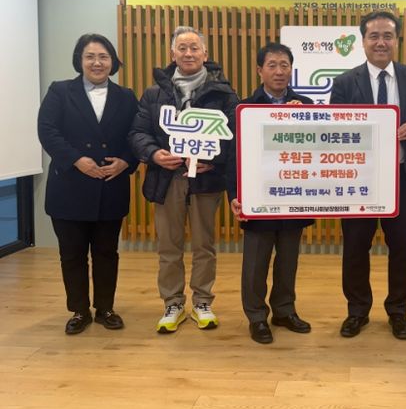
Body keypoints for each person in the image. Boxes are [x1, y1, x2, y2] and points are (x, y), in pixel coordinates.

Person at [329, 11, 406, 340]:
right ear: (363, 41)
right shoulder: (345, 82)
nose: (381, 42)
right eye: (374, 36)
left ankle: (398, 311)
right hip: (358, 180)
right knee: (355, 247)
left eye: (387, 36)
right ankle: (357, 310)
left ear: (397, 40)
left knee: (403, 248)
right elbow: (333, 125)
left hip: (402, 178)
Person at [128, 26, 239, 333]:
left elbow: (235, 137)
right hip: (167, 179)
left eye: (194, 48)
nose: (188, 53)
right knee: (169, 246)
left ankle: (202, 301)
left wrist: (212, 159)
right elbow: (137, 133)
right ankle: (173, 303)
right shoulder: (154, 94)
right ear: (172, 54)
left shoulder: (224, 93)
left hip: (205, 180)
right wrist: (154, 154)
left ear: (205, 53)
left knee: (205, 245)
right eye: (182, 48)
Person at [37, 33, 138, 334]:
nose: (97, 62)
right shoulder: (60, 91)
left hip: (110, 185)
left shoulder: (126, 96)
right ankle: (79, 310)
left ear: (113, 62)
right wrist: (76, 160)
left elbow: (137, 135)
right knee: (72, 254)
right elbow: (47, 130)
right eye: (90, 56)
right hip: (69, 187)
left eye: (103, 57)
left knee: (107, 253)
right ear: (79, 60)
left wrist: (126, 161)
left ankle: (105, 308)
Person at [230, 42, 314, 344]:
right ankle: (256, 316)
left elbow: (317, 150)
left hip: (293, 195)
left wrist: (301, 122)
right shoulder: (244, 107)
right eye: (272, 65)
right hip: (257, 196)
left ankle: (284, 310)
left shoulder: (306, 105)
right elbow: (232, 157)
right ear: (259, 70)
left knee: (288, 258)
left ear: (291, 69)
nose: (279, 71)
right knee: (256, 261)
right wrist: (234, 195)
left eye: (284, 65)